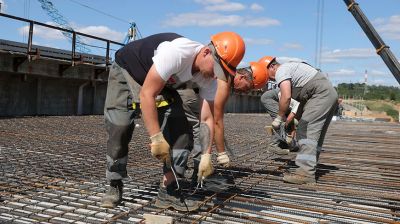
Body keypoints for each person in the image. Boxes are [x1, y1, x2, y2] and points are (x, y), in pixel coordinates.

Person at [101, 31, 253, 211]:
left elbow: (206, 118)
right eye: (217, 68)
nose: (215, 75)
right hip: (128, 70)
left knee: (181, 132)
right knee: (120, 127)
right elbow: (147, 94)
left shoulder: (209, 77)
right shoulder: (177, 53)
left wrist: (206, 154)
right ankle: (114, 182)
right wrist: (156, 138)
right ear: (206, 52)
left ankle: (169, 190)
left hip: (162, 82)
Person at [261, 56, 338, 184]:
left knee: (305, 130)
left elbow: (286, 97)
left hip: (320, 95)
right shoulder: (294, 71)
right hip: (327, 94)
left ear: (272, 67)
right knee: (315, 135)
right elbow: (301, 101)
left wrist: (279, 118)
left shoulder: (281, 70)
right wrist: (292, 121)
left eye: (267, 74)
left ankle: (305, 174)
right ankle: (309, 166)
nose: (269, 79)